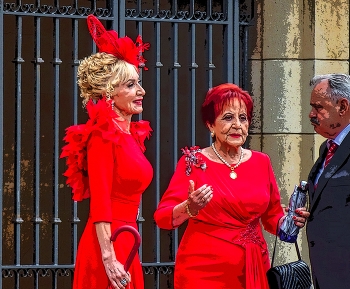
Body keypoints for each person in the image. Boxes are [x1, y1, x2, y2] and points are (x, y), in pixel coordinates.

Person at [154, 83, 309, 289]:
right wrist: (189, 208)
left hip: (254, 267)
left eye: (242, 118)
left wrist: (289, 222)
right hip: (202, 272)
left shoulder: (261, 162)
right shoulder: (193, 162)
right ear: (210, 125)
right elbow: (162, 218)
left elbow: (271, 217)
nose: (237, 125)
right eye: (228, 117)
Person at [60, 15, 152, 289]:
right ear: (109, 94)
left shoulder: (131, 136)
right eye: (131, 85)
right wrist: (109, 257)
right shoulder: (102, 136)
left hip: (126, 237)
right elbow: (100, 203)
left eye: (138, 82)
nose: (142, 91)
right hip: (108, 244)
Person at [307, 73, 350, 289]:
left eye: (319, 107)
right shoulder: (328, 148)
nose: (311, 114)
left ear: (343, 107)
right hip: (326, 274)